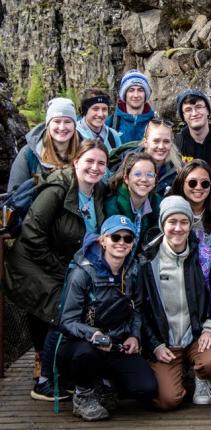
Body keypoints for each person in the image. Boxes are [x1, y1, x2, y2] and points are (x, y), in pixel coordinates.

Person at [4, 139, 108, 401]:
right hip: (31, 263)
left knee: (72, 306)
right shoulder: (57, 189)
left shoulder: (96, 192)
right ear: (76, 162)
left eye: (101, 163)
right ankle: (45, 381)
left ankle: (63, 373)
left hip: (60, 265)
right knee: (61, 311)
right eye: (89, 161)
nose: (94, 168)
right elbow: (31, 236)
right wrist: (66, 273)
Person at [57, 215, 158, 422]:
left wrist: (135, 336)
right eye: (115, 237)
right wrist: (92, 333)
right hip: (83, 344)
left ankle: (105, 386)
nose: (121, 243)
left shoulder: (133, 270)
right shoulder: (82, 273)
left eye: (127, 239)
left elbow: (137, 308)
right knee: (85, 355)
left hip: (117, 342)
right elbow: (66, 321)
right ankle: (84, 395)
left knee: (146, 388)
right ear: (103, 240)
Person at [139, 195, 211, 410]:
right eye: (172, 222)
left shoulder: (204, 256)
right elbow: (140, 309)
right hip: (165, 342)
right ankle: (177, 371)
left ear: (191, 224)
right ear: (162, 224)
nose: (178, 228)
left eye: (184, 222)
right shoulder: (148, 260)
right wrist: (154, 345)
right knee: (167, 401)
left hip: (196, 336)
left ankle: (201, 377)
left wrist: (210, 329)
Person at [7, 97, 80, 192]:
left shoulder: (86, 151)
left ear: (74, 125)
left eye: (67, 122)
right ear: (48, 125)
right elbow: (14, 194)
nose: (62, 127)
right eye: (57, 121)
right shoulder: (28, 154)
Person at [104, 152, 160, 255]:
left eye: (150, 175)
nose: (144, 179)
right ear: (126, 178)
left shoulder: (158, 204)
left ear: (155, 181)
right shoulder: (112, 206)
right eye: (138, 174)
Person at [106, 69, 155, 144]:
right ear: (124, 94)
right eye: (131, 90)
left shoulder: (155, 123)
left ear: (146, 94)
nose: (136, 95)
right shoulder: (110, 124)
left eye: (140, 90)